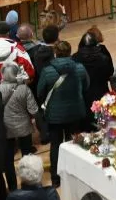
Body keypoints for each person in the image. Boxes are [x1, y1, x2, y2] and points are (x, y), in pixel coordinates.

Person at [37, 40, 90, 184]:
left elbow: (40, 92)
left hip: (54, 115)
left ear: (55, 53)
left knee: (56, 145)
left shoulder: (47, 71)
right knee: (73, 142)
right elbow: (86, 86)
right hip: (75, 111)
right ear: (69, 51)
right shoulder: (79, 68)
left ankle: (56, 178)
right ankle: (75, 174)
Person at [0, 65, 39, 194]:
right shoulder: (24, 88)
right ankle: (29, 182)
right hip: (24, 127)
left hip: (5, 128)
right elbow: (34, 110)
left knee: (8, 161)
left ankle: (13, 188)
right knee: (27, 157)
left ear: (2, 74)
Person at [73, 27, 113, 108]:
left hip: (83, 98)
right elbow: (110, 72)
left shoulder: (75, 58)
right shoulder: (103, 58)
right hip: (101, 95)